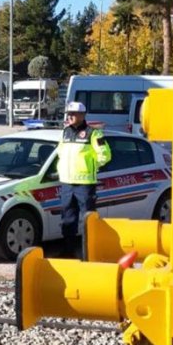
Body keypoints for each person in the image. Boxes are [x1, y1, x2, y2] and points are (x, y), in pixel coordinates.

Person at [56, 101, 111, 258]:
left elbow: (105, 155)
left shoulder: (93, 133)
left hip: (85, 183)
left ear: (82, 115)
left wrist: (92, 166)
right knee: (67, 219)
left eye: (73, 114)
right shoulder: (65, 132)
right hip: (67, 181)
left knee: (88, 220)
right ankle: (68, 251)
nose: (70, 116)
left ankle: (90, 252)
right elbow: (60, 153)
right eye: (69, 114)